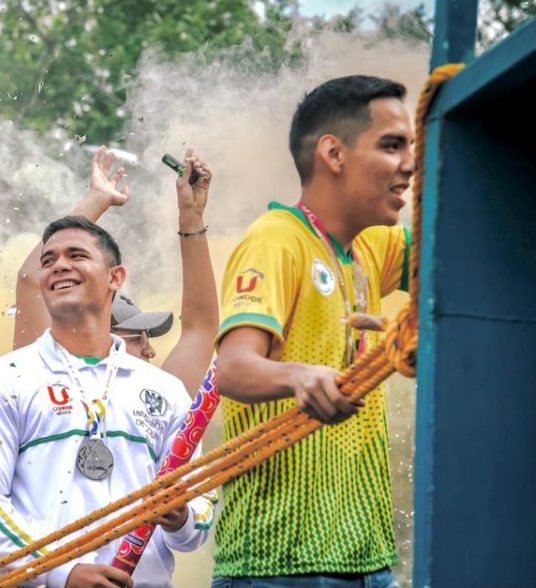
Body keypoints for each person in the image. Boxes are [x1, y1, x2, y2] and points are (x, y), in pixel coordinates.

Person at [212, 75, 414, 588]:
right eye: (392, 146)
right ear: (333, 153)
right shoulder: (276, 240)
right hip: (277, 567)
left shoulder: (374, 248)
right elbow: (232, 368)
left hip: (368, 564)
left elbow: (468, 247)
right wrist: (300, 376)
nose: (409, 165)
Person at [0, 216, 216, 588]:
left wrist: (182, 516)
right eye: (49, 261)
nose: (59, 266)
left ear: (115, 277)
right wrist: (61, 572)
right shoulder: (3, 380)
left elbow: (200, 511)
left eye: (76, 255)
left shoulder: (164, 390)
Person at [13, 146, 219, 394]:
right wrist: (96, 201)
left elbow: (201, 327)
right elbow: (31, 278)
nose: (150, 350)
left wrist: (192, 215)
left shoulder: (157, 400)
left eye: (146, 338)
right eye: (137, 337)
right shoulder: (44, 380)